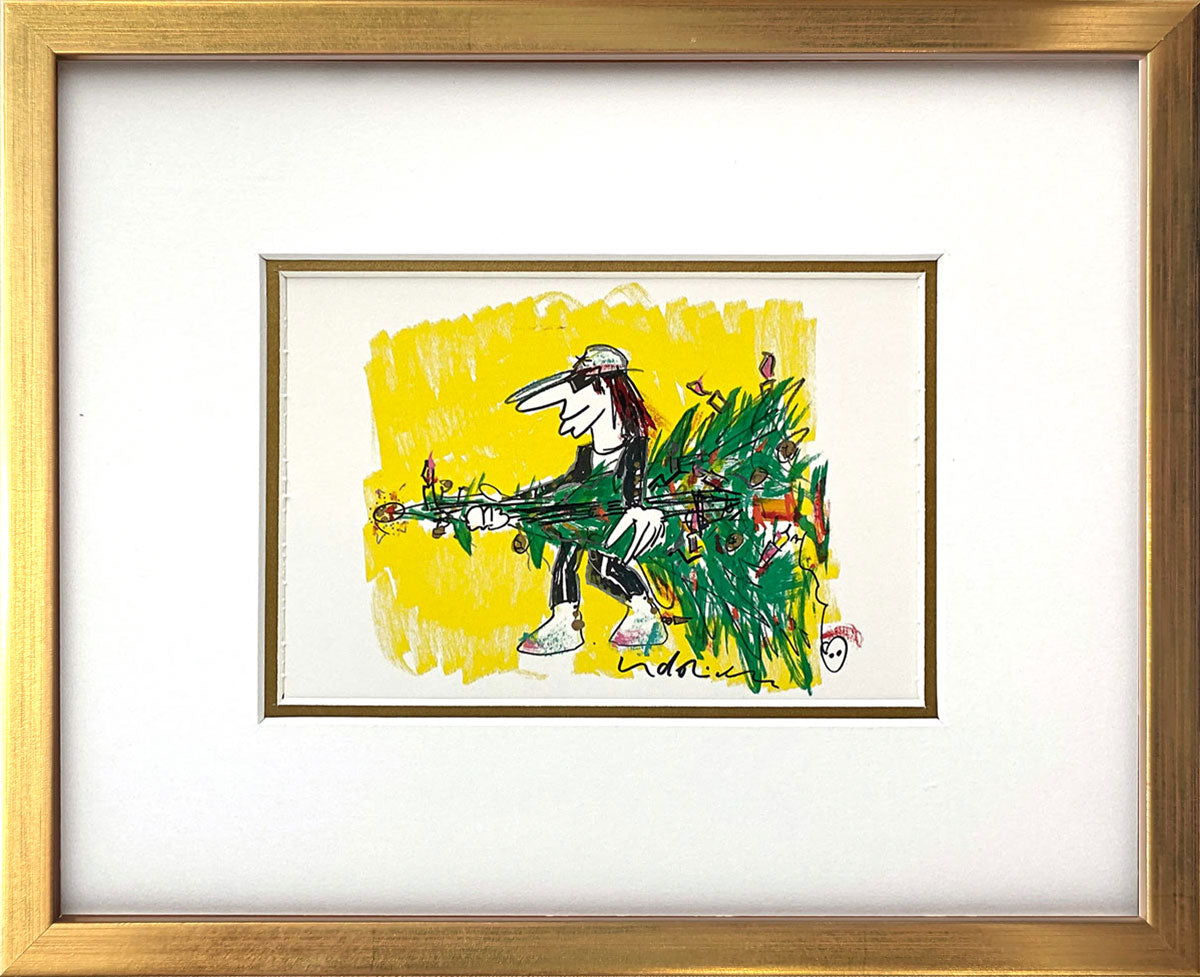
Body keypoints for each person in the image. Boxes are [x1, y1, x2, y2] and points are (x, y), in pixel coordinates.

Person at [465, 344, 668, 655]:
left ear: (604, 389)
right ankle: (565, 618)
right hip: (586, 520)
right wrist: (512, 504)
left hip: (612, 522)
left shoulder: (633, 446)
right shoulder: (588, 455)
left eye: (576, 392)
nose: (564, 411)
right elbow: (566, 487)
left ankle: (644, 611)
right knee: (567, 553)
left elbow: (633, 486)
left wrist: (637, 509)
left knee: (606, 566)